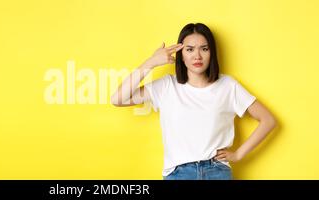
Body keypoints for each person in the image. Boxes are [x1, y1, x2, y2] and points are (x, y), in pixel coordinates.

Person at [111, 23, 277, 180]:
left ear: (211, 53)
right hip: (178, 173)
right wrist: (151, 62)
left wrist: (238, 154)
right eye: (189, 49)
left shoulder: (228, 86)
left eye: (204, 49)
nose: (197, 56)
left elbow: (268, 120)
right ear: (181, 55)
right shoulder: (167, 86)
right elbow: (118, 99)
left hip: (217, 172)